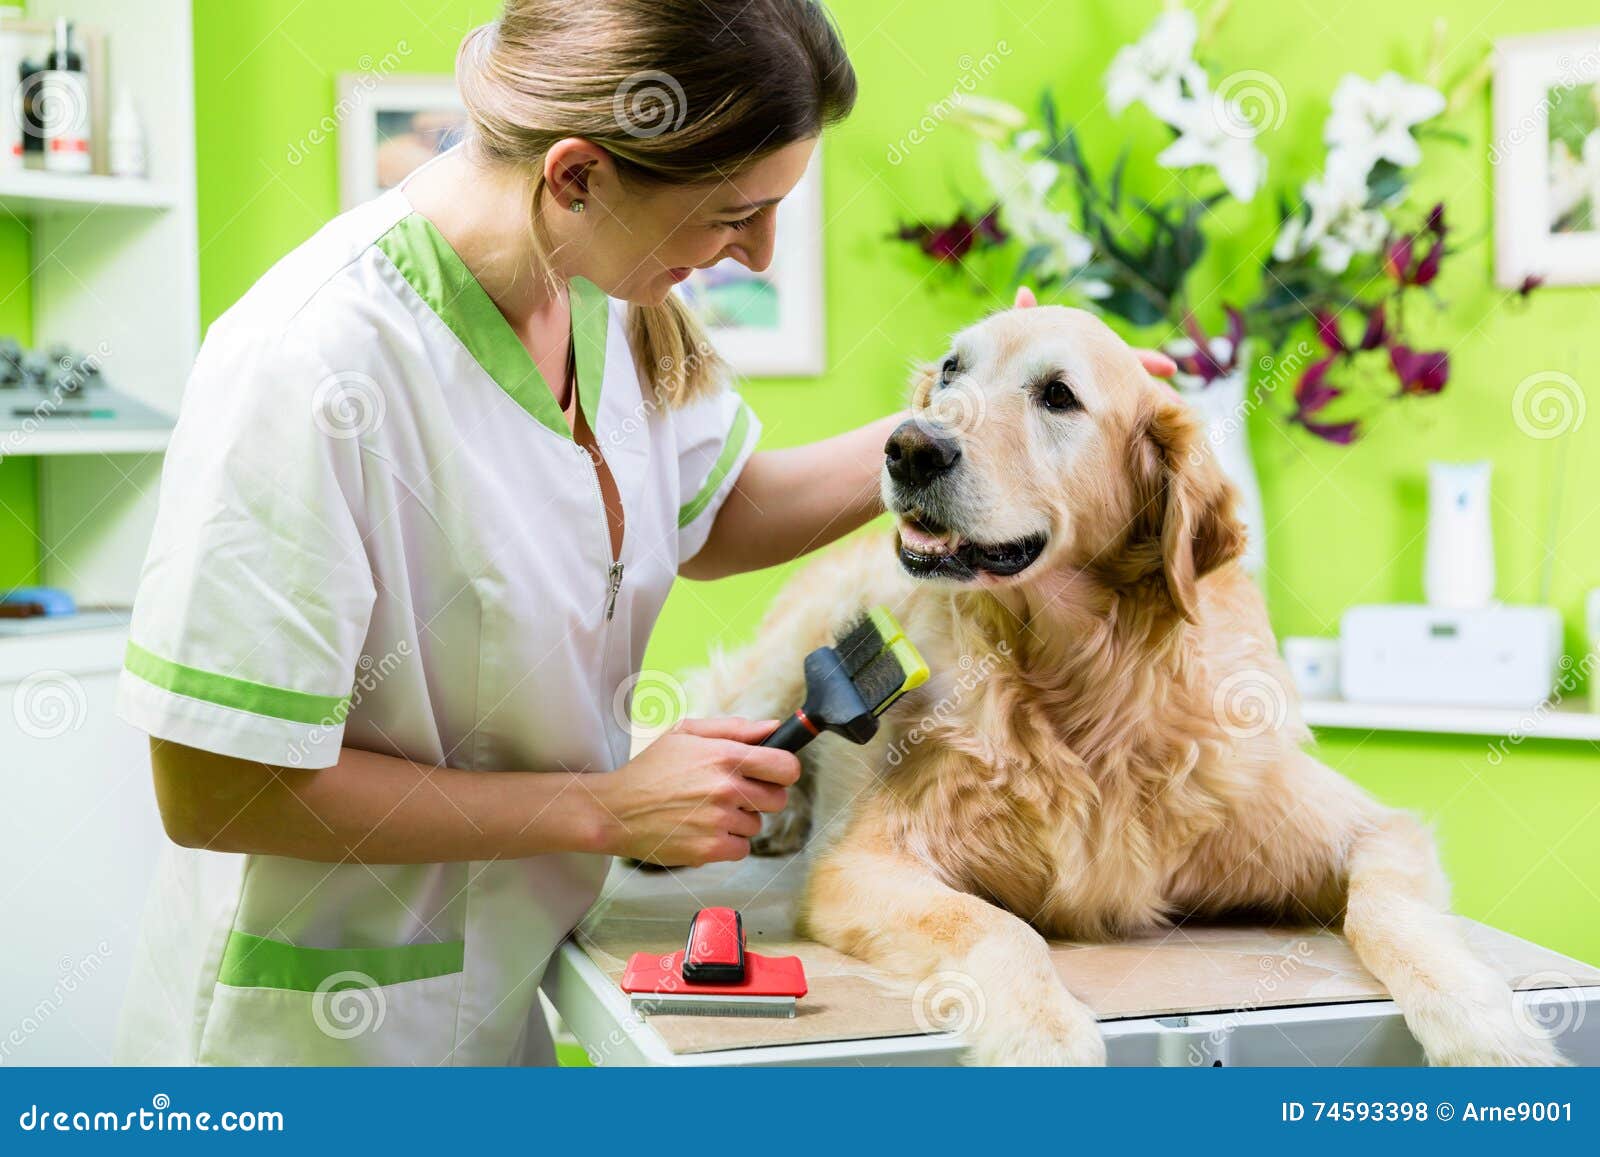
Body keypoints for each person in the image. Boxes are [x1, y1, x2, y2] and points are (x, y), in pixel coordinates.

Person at [114, 0, 1172, 1066]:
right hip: (312, 1031)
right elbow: (217, 786)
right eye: (732, 214)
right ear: (577, 175)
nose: (755, 256)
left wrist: (968, 432)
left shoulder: (600, 297)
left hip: (507, 983)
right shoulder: (311, 365)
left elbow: (717, 515)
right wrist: (605, 807)